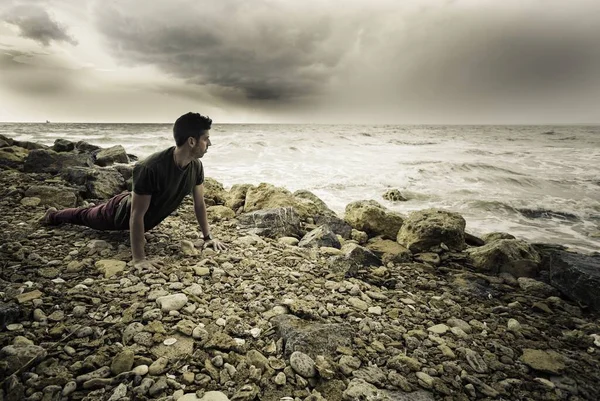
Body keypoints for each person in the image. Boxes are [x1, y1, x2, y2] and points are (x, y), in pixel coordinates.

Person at [41, 112, 227, 270]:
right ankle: (54, 215)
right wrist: (139, 258)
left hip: (135, 203)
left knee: (90, 211)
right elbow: (136, 214)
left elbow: (199, 203)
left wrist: (208, 237)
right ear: (192, 141)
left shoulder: (196, 166)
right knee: (85, 216)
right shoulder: (150, 167)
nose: (209, 143)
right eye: (206, 138)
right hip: (118, 212)